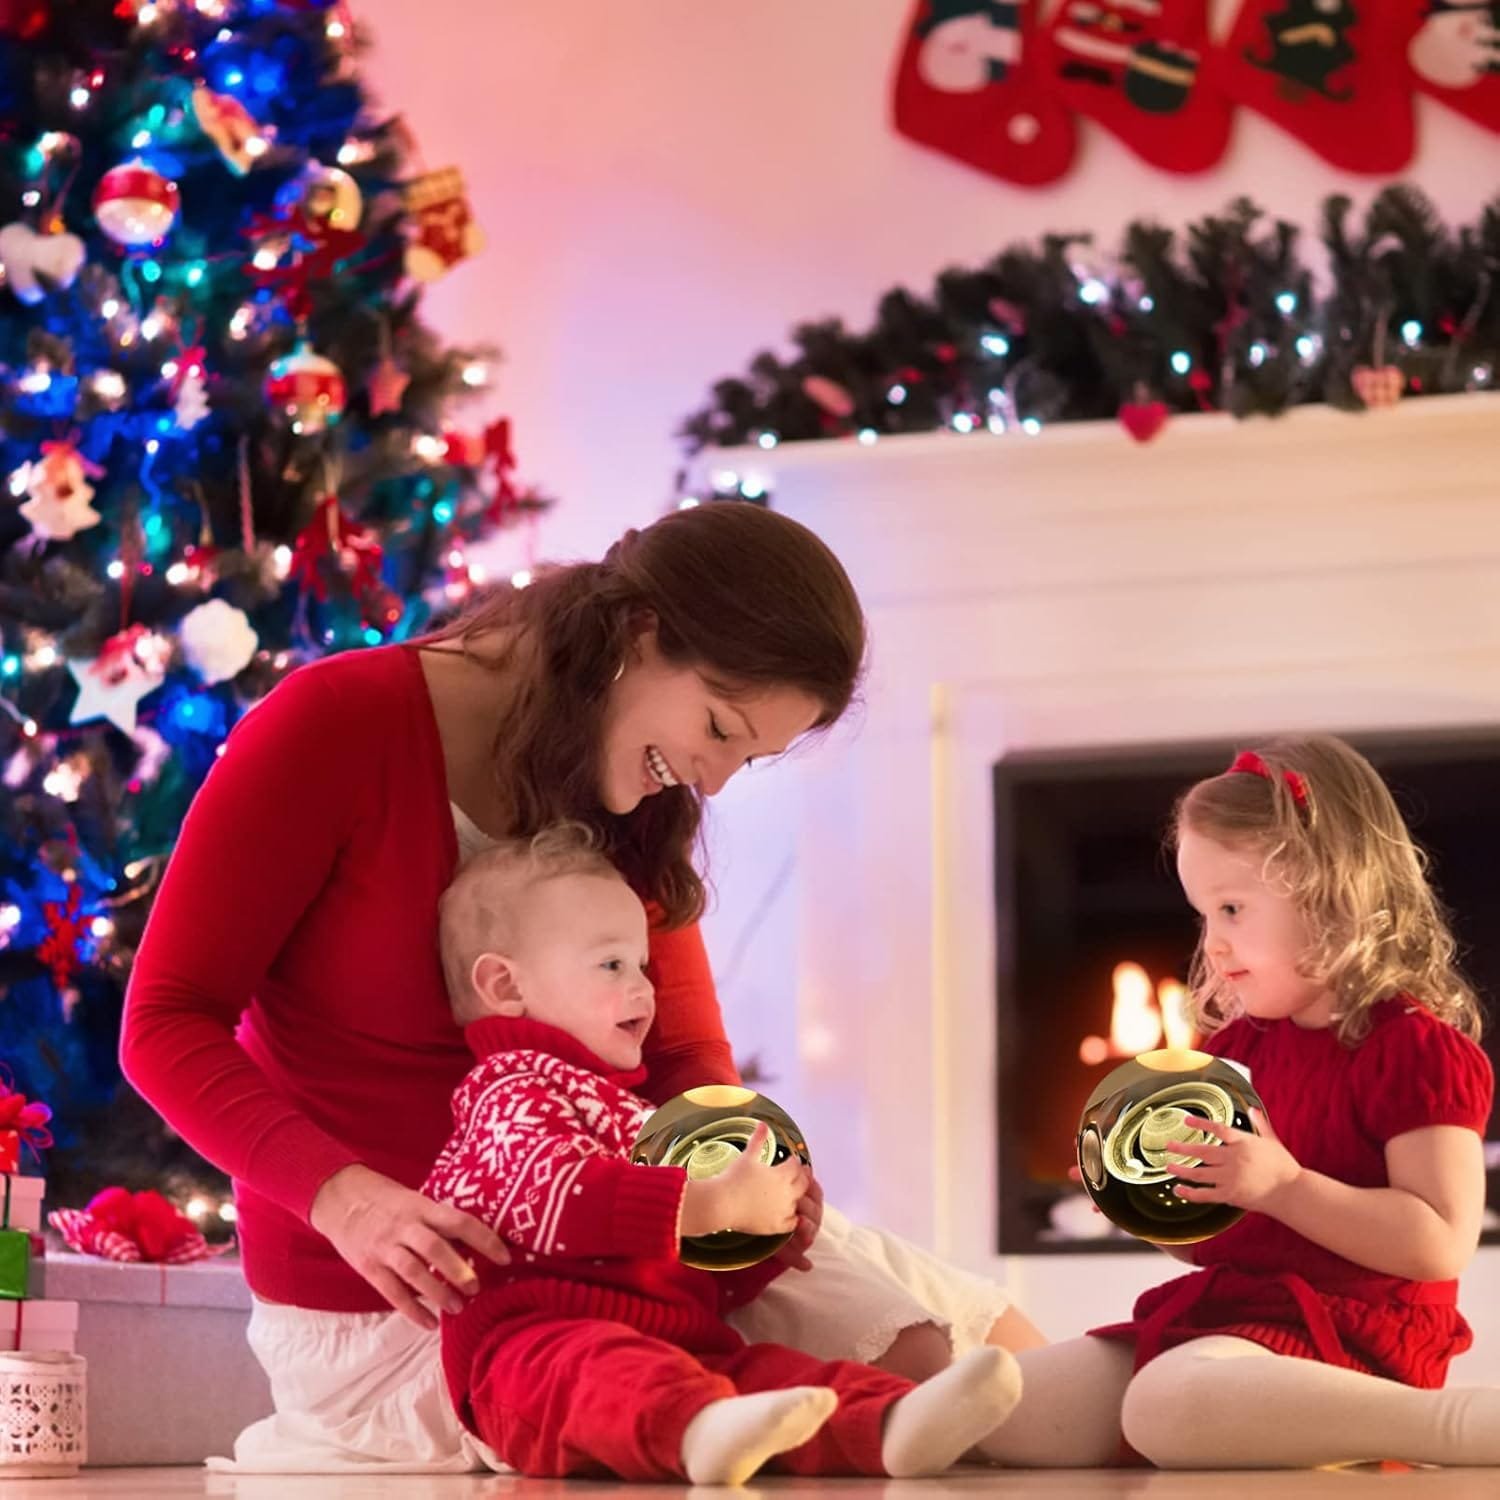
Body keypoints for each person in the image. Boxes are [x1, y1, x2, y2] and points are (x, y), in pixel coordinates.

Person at [120, 501, 1041, 1473]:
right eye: (719, 729)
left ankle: (1139, 1401)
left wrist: (749, 1161)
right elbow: (163, 1023)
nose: (715, 782)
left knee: (925, 1356)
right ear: (639, 634)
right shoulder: (334, 725)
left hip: (617, 1248)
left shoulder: (634, 794)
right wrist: (346, 1201)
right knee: (650, 1392)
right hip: (411, 1287)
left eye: (749, 758)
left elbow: (682, 1057)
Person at [423, 824, 1022, 1484]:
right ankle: (698, 1430)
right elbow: (554, 1193)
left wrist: (756, 1237)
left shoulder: (639, 1116)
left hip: (678, 1339)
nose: (644, 988)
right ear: (506, 988)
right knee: (603, 1370)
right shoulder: (506, 1092)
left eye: (644, 965)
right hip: (529, 1349)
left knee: (777, 1379)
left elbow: (687, 1257)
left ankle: (888, 1422)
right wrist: (707, 1203)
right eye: (611, 965)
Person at [983, 737, 1499, 1470]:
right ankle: (882, 1419)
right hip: (1238, 1320)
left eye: (1232, 908)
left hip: (1356, 1337)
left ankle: (1443, 1424)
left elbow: (1440, 1240)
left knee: (1168, 1406)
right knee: (1018, 1400)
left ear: (1331, 890)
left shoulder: (1413, 1049)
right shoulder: (1244, 1048)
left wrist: (1285, 1186)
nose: (1214, 944)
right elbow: (1229, 1237)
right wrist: (1157, 1205)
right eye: (1203, 915)